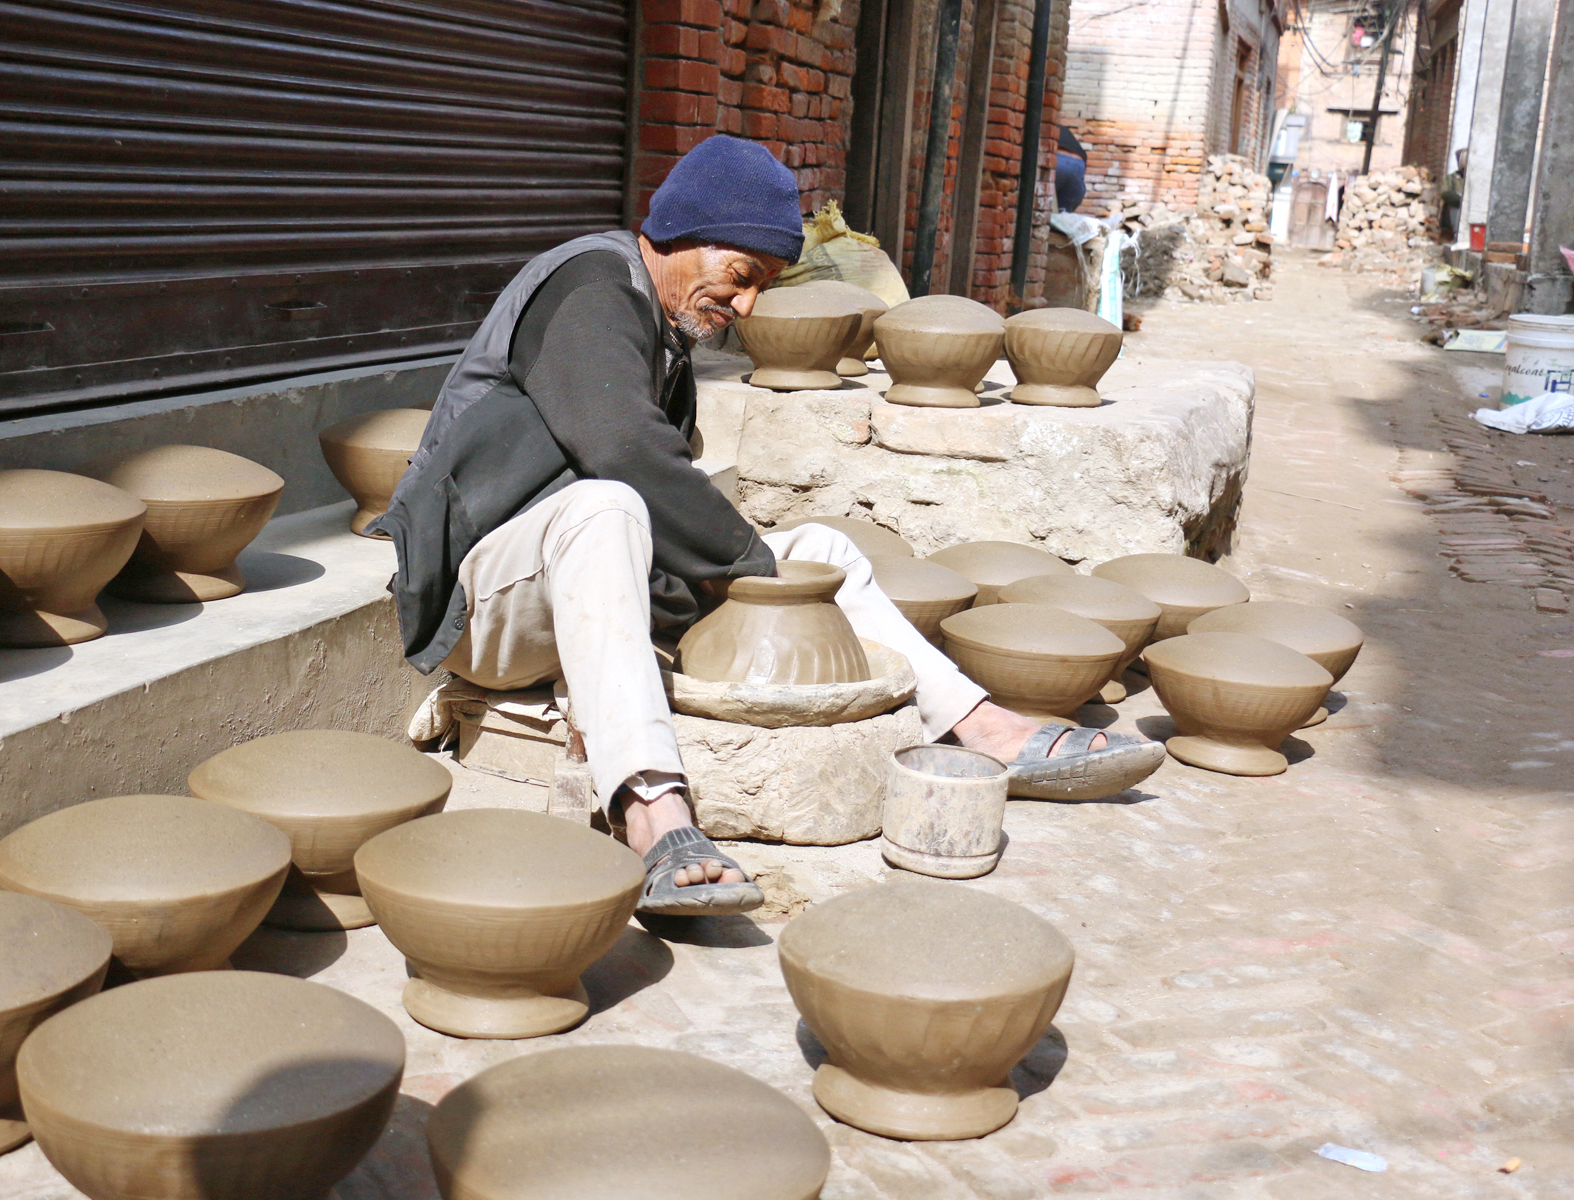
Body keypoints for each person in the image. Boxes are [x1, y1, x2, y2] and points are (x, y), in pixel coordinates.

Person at [375, 136, 1164, 918]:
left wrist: (745, 572)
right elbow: (620, 451)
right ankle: (652, 813)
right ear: (686, 234)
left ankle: (985, 728)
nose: (746, 306)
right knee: (611, 504)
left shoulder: (666, 332)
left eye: (762, 288)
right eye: (742, 276)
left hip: (573, 588)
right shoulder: (588, 286)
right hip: (478, 605)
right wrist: (744, 564)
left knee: (822, 549)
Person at [1056, 125, 1088, 214]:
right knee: (1063, 214)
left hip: (1057, 162)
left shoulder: (1044, 125)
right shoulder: (1063, 129)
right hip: (1079, 165)